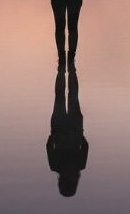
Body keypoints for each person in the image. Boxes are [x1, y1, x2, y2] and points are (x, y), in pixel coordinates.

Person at [46, 66, 88, 197]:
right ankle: (62, 70)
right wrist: (53, 135)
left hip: (74, 129)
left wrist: (80, 134)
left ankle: (70, 70)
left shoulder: (80, 165)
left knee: (73, 95)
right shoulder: (55, 166)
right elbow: (48, 146)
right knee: (61, 96)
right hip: (59, 129)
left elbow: (85, 146)